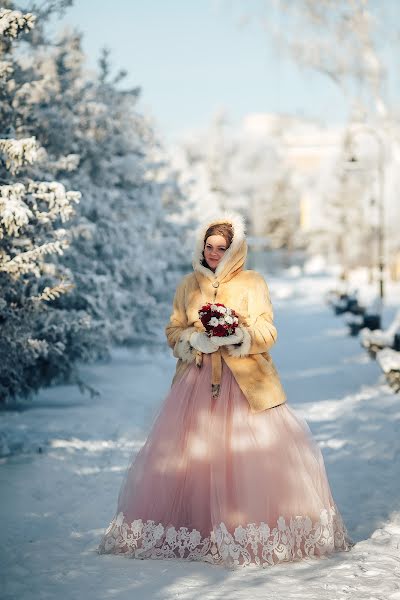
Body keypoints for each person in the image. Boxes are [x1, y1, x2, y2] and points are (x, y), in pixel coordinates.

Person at [97, 212, 354, 569]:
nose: (214, 253)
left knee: (246, 459)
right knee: (194, 456)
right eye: (210, 246)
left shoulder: (252, 282)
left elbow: (269, 332)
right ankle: (197, 529)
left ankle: (245, 528)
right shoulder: (188, 285)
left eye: (222, 247)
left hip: (247, 385)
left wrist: (241, 336)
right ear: (201, 247)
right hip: (196, 383)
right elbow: (173, 331)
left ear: (235, 250)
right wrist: (193, 339)